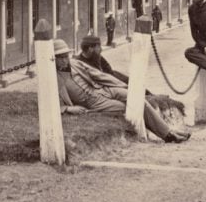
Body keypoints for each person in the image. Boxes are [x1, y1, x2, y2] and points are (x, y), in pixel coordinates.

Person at [53, 39, 190, 143]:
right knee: (131, 108)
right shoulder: (52, 78)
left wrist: (123, 86)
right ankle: (168, 135)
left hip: (104, 90)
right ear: (54, 58)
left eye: (66, 56)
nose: (65, 60)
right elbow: (48, 104)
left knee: (136, 98)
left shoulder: (75, 63)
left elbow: (97, 75)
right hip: (94, 102)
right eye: (61, 57)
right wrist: (68, 109)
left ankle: (168, 131)